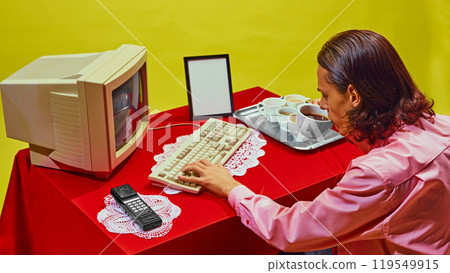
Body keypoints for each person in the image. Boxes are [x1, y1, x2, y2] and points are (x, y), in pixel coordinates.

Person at [178, 30, 450, 255]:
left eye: (326, 95)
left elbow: (290, 231)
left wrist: (231, 188)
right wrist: (345, 119)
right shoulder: (443, 125)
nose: (320, 103)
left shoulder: (377, 174)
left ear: (354, 96)